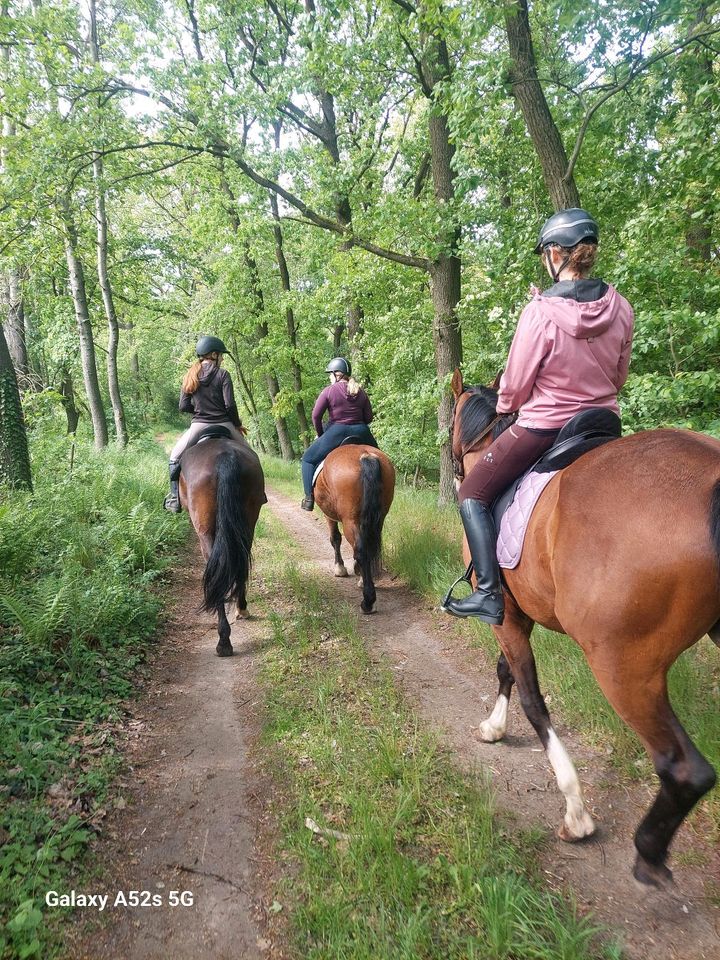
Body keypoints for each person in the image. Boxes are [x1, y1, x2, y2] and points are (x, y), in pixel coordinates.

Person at [442, 207, 635, 624]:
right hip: (603, 425)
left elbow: (511, 389)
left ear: (554, 254)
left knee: (471, 494)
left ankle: (489, 593)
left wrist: (508, 408)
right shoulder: (621, 306)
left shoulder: (540, 312)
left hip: (546, 427)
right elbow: (619, 377)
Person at [163, 336, 246, 513]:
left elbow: (183, 406)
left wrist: (200, 412)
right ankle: (259, 493)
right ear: (214, 354)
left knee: (174, 457)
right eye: (221, 355)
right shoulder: (223, 374)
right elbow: (230, 405)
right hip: (225, 424)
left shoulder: (190, 375)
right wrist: (237, 424)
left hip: (199, 425)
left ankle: (174, 498)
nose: (222, 358)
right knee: (250, 454)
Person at [300, 357, 377, 511]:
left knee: (307, 459)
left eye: (330, 374)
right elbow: (369, 417)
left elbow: (316, 416)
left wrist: (321, 434)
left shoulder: (329, 391)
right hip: (362, 431)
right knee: (381, 460)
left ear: (337, 374)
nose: (329, 377)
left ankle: (309, 499)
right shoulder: (360, 391)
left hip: (337, 431)